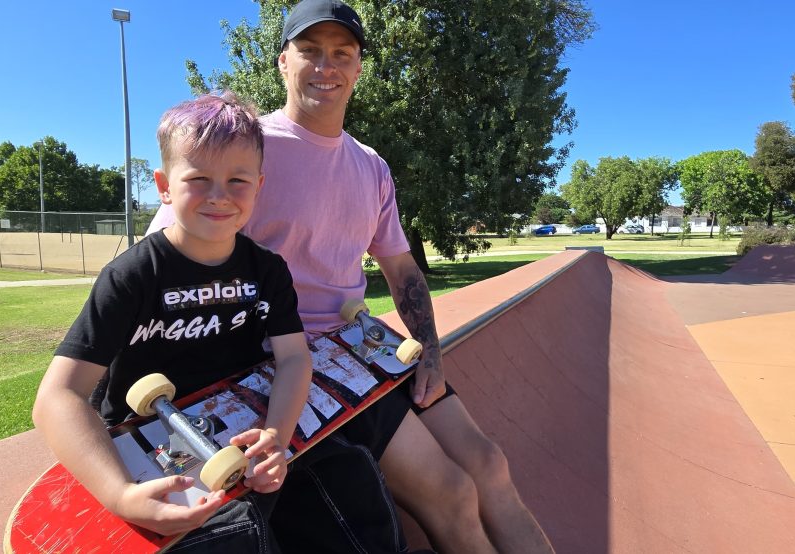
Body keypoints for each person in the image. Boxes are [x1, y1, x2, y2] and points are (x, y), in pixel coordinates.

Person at [149, 1, 554, 552]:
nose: (326, 66)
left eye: (342, 53)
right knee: (453, 492)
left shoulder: (371, 165)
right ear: (282, 62)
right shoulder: (242, 149)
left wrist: (429, 351)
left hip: (362, 347)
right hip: (286, 365)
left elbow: (401, 267)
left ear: (359, 66)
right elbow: (163, 252)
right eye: (310, 51)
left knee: (489, 463)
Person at [33, 93, 313, 553]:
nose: (219, 195)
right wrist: (121, 496)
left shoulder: (267, 269)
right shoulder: (131, 276)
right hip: (150, 447)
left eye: (237, 180)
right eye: (199, 178)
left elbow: (294, 357)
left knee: (347, 480)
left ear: (259, 185)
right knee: (237, 534)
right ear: (164, 185)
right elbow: (56, 398)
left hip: (239, 428)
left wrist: (275, 437)